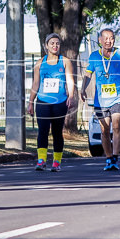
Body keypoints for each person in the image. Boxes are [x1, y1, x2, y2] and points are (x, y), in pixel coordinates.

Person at [81, 28, 120, 171]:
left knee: (116, 125)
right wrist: (82, 89)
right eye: (106, 38)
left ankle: (115, 156)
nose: (108, 41)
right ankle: (109, 158)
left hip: (118, 97)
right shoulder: (94, 56)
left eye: (111, 38)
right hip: (101, 100)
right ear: (100, 40)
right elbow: (88, 74)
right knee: (104, 130)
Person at [27, 33, 76, 171]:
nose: (55, 46)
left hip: (60, 102)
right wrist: (31, 102)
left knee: (57, 132)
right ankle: (41, 160)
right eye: (52, 43)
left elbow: (70, 81)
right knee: (42, 131)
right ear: (46, 46)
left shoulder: (65, 61)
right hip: (42, 101)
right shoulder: (40, 63)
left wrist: (71, 96)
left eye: (57, 43)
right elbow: (36, 83)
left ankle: (57, 162)